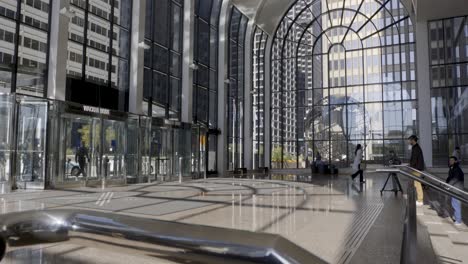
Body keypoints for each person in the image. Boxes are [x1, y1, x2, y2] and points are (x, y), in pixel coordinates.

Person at [408, 135, 425, 206]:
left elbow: (414, 159)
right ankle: (419, 199)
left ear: (413, 140)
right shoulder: (415, 147)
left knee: (417, 184)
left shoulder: (416, 148)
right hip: (416, 168)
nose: (409, 142)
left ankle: (420, 200)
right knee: (416, 184)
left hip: (416, 169)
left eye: (410, 140)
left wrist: (410, 167)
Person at [446, 156, 464, 226]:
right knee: (454, 203)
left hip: (457, 188)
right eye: (450, 160)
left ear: (456, 161)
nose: (450, 161)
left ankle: (458, 220)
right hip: (455, 188)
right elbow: (450, 177)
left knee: (456, 203)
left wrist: (448, 185)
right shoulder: (452, 168)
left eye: (452, 160)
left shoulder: (456, 169)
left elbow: (455, 179)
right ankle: (456, 217)